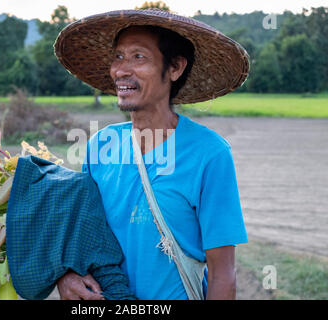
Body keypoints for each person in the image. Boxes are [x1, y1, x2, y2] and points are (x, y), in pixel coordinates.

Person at [54, 9, 250, 300]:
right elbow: (85, 237)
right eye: (118, 57)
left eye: (138, 57)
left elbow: (224, 274)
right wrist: (66, 276)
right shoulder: (100, 145)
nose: (121, 70)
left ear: (175, 68)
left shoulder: (209, 154)